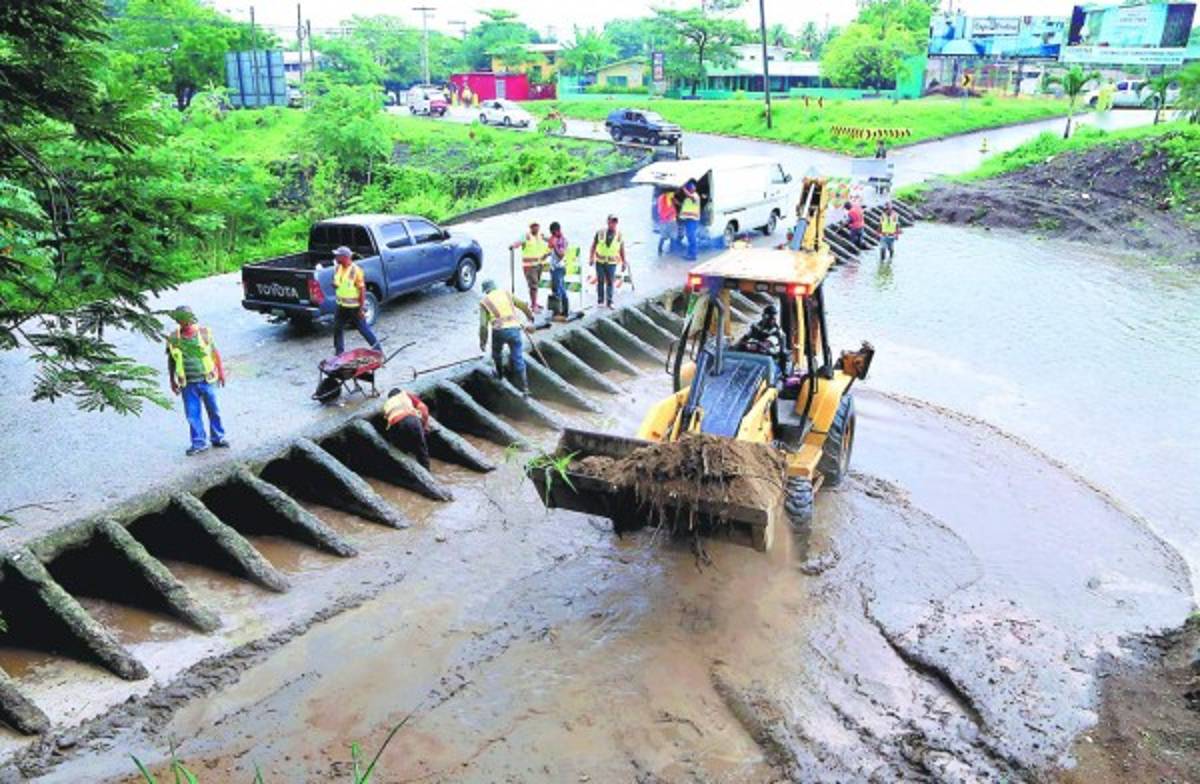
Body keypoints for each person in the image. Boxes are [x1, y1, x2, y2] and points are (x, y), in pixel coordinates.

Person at [165, 306, 229, 456]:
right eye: (182, 319)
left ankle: (218, 438)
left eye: (188, 318)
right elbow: (171, 360)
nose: (186, 322)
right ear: (177, 320)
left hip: (208, 380)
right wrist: (172, 380)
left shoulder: (204, 333)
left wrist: (221, 372)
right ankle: (199, 443)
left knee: (214, 411)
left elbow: (214, 353)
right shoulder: (174, 338)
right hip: (188, 384)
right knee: (193, 415)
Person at [479, 278, 535, 394]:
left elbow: (483, 326)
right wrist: (530, 317)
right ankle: (525, 387)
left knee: (496, 354)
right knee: (518, 357)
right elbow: (523, 305)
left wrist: (483, 342)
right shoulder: (506, 293)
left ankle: (500, 375)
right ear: (495, 286)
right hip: (515, 329)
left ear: (485, 290)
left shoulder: (485, 301)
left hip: (499, 331)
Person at [330, 246, 381, 355]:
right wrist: (334, 284)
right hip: (341, 305)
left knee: (363, 329)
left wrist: (361, 309)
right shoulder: (338, 268)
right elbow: (337, 283)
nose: (335, 257)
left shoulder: (356, 271)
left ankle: (378, 350)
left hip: (354, 307)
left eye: (338, 255)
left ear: (345, 257)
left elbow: (362, 290)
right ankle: (339, 353)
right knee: (337, 328)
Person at [384, 387, 431, 469]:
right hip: (411, 420)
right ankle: (426, 471)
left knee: (400, 450)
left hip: (395, 425)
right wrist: (425, 425)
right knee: (421, 450)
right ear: (400, 392)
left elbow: (388, 419)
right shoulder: (405, 395)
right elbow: (423, 408)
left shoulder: (387, 403)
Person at [737, 303, 788, 375]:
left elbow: (766, 345)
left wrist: (754, 344)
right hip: (752, 355)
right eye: (767, 317)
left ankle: (783, 373)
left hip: (769, 357)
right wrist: (742, 343)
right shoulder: (756, 326)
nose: (771, 320)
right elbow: (745, 337)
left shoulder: (777, 332)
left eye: (773, 318)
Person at [510, 222, 550, 313]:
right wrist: (513, 246)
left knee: (536, 284)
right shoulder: (526, 236)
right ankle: (534, 305)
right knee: (533, 285)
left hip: (539, 264)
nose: (535, 228)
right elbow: (518, 242)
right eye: (533, 226)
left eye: (536, 226)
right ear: (530, 227)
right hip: (529, 266)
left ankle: (534, 303)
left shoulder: (541, 235)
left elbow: (550, 240)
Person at [589, 214, 626, 309]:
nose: (613, 224)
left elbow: (621, 249)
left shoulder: (619, 235)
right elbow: (593, 246)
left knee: (610, 282)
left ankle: (609, 302)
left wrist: (624, 261)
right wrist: (591, 257)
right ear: (608, 222)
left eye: (615, 222)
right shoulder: (600, 233)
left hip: (611, 262)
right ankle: (600, 300)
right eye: (611, 222)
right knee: (600, 280)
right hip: (600, 261)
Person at [547, 221, 569, 317]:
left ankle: (563, 310)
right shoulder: (554, 239)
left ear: (557, 231)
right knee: (555, 289)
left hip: (559, 268)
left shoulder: (563, 240)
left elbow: (561, 255)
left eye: (553, 233)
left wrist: (555, 245)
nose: (552, 236)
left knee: (560, 290)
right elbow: (550, 247)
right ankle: (557, 310)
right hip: (553, 268)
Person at [679, 181, 702, 261]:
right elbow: (684, 207)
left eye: (692, 187)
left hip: (693, 220)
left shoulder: (695, 196)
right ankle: (689, 254)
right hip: (688, 220)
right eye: (691, 187)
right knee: (689, 237)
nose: (692, 188)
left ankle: (693, 255)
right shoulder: (687, 199)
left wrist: (683, 188)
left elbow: (689, 196)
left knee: (692, 237)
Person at [655, 189, 678, 255]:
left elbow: (661, 210)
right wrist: (670, 214)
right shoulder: (664, 198)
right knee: (670, 236)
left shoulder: (663, 198)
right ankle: (671, 252)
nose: (673, 194)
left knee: (666, 236)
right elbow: (664, 210)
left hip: (666, 221)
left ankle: (661, 251)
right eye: (672, 193)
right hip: (668, 220)